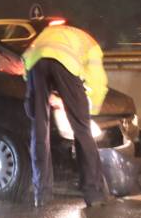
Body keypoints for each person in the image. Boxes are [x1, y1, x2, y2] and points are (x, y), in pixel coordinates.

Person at [22, 23, 109, 207]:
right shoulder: (91, 45)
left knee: (39, 128)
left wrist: (45, 96)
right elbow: (98, 82)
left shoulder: (48, 33)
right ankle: (93, 192)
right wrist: (88, 113)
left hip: (36, 65)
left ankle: (42, 193)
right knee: (82, 130)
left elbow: (26, 62)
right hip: (65, 65)